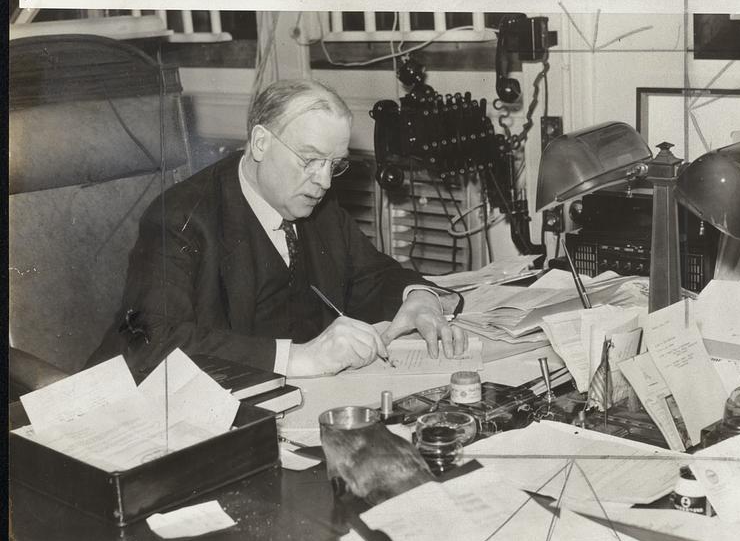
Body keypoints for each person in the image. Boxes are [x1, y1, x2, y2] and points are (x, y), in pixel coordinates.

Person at [89, 79, 465, 382]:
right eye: (310, 159)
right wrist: (299, 357)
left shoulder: (314, 204)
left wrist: (419, 298)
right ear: (260, 142)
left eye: (334, 165)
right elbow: (151, 340)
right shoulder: (181, 218)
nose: (324, 182)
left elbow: (372, 274)